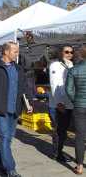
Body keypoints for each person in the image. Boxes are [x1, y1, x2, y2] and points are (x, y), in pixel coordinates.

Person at [0, 41, 32, 177]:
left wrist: (29, 103)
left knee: (7, 139)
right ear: (6, 52)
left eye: (17, 51)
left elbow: (24, 88)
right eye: (15, 51)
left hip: (15, 110)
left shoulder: (18, 69)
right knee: (4, 137)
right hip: (0, 110)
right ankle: (11, 170)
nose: (17, 54)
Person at [48, 45, 74, 162]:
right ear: (61, 53)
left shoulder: (71, 65)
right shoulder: (55, 65)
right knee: (58, 130)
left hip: (69, 103)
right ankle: (57, 153)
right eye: (66, 52)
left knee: (63, 130)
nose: (69, 54)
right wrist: (59, 102)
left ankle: (59, 151)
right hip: (58, 104)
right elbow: (54, 84)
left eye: (71, 52)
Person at [66, 45, 86, 175]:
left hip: (79, 106)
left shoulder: (74, 70)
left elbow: (68, 89)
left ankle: (79, 166)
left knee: (80, 136)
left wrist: (75, 100)